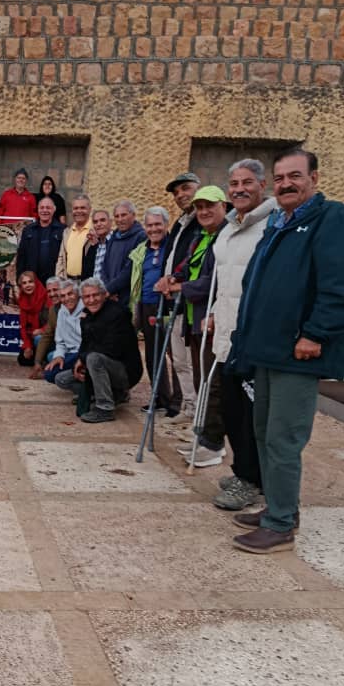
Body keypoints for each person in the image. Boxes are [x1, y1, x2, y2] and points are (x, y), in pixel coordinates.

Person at [230, 148, 344, 554]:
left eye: (295, 176)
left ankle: (280, 525)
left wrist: (315, 334)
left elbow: (342, 286)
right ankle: (279, 506)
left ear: (314, 179)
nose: (286, 184)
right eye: (280, 177)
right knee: (264, 433)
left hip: (298, 353)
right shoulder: (278, 223)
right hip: (266, 351)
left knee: (284, 438)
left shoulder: (332, 218)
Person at [208, 159, 277, 511]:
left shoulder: (272, 225)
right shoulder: (230, 227)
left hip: (254, 337)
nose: (239, 189)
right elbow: (225, 282)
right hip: (227, 334)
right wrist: (213, 313)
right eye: (234, 183)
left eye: (247, 182)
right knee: (232, 409)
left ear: (262, 185)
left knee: (251, 414)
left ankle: (251, 480)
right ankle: (245, 471)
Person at [166, 187, 228, 467]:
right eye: (199, 207)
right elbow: (187, 266)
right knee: (201, 380)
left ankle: (213, 445)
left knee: (212, 385)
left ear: (223, 206)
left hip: (212, 320)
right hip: (194, 318)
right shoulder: (200, 237)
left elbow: (211, 281)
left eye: (209, 206)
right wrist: (172, 277)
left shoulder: (224, 237)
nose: (203, 212)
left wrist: (180, 287)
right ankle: (202, 436)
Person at [55, 277, 142, 423]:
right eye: (87, 297)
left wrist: (85, 359)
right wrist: (80, 361)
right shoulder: (87, 314)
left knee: (93, 358)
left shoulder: (117, 313)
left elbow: (111, 349)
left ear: (104, 295)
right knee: (62, 379)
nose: (92, 300)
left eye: (95, 295)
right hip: (100, 364)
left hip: (125, 370)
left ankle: (105, 407)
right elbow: (85, 343)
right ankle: (111, 395)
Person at [128, 206, 179, 417]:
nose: (153, 229)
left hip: (168, 305)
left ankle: (178, 403)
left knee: (175, 355)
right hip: (146, 304)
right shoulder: (142, 249)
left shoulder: (174, 247)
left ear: (166, 225)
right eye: (149, 225)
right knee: (153, 354)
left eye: (158, 224)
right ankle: (161, 398)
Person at [159, 172, 201, 422]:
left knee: (193, 361)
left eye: (186, 188)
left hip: (191, 300)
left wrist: (176, 278)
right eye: (176, 192)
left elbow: (193, 259)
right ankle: (189, 406)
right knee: (178, 360)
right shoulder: (180, 223)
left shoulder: (203, 221)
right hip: (173, 300)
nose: (180, 195)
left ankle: (200, 412)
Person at [100, 200, 145, 306]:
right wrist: (108, 289)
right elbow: (105, 265)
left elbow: (130, 269)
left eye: (124, 215)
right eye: (117, 216)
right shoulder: (114, 237)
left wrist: (111, 289)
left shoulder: (140, 237)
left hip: (127, 296)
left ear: (133, 215)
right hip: (111, 296)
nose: (120, 219)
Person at [15, 196, 64, 284]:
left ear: (54, 209)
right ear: (38, 210)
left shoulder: (62, 230)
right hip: (32, 281)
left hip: (54, 281)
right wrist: (19, 279)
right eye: (42, 208)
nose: (44, 210)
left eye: (48, 208)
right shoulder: (28, 230)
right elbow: (21, 257)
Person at [43, 280, 84, 384]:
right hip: (70, 352)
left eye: (70, 294)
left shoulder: (86, 309)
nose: (66, 299)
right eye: (63, 296)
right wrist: (59, 356)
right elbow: (60, 341)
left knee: (60, 377)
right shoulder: (62, 311)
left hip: (85, 352)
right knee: (49, 374)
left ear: (78, 294)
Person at [30, 276, 63, 377]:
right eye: (49, 291)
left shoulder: (70, 305)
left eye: (55, 290)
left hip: (71, 347)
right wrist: (37, 362)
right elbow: (47, 335)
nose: (52, 294)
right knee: (39, 340)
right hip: (59, 344)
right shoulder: (53, 309)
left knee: (51, 357)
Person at [16, 270, 49, 367]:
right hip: (32, 339)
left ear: (36, 282)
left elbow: (54, 322)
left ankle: (45, 358)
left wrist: (42, 330)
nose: (28, 285)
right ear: (21, 286)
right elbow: (23, 327)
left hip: (47, 336)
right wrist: (28, 346)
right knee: (23, 359)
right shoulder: (22, 300)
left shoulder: (46, 297)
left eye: (30, 282)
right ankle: (42, 359)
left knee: (38, 338)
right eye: (24, 283)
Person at [56, 194, 93, 279]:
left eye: (82, 208)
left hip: (88, 282)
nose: (79, 211)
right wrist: (59, 280)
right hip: (69, 282)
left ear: (90, 209)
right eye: (76, 208)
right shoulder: (67, 232)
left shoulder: (95, 230)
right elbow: (61, 258)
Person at [82, 209, 112, 282]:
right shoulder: (93, 245)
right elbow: (86, 272)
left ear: (110, 222)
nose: (98, 224)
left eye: (102, 220)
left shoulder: (116, 242)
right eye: (95, 222)